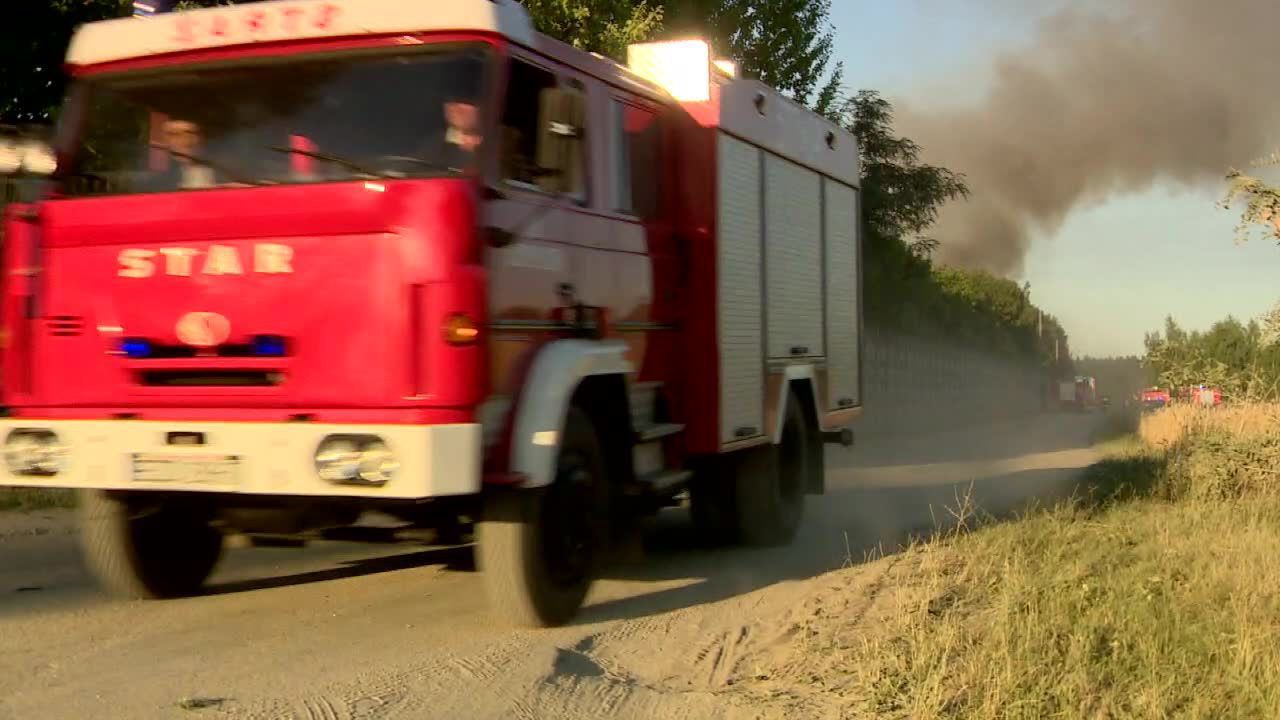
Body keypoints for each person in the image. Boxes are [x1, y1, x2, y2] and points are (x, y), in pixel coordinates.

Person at [154, 118, 216, 190]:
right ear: (164, 140)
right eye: (175, 134)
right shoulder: (157, 177)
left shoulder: (217, 169)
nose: (184, 139)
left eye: (190, 133)